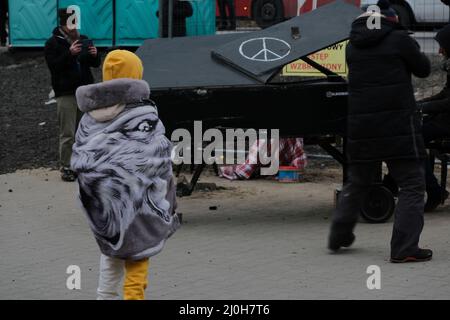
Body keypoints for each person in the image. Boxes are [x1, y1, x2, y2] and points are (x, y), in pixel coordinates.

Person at [328, 0, 433, 263]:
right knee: (412, 184)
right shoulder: (399, 40)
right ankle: (404, 248)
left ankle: (338, 235)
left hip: (362, 127)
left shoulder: (352, 46)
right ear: (391, 20)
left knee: (358, 180)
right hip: (398, 126)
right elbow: (424, 69)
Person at [71, 49, 179, 300]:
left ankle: (105, 296)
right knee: (139, 256)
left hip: (103, 202)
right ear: (136, 75)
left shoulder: (89, 117)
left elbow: (82, 155)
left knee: (112, 251)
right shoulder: (143, 114)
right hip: (140, 201)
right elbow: (157, 155)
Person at [44, 8, 100, 181]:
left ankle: (84, 164)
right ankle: (67, 167)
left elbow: (94, 64)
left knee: (85, 131)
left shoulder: (82, 39)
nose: (74, 27)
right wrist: (69, 54)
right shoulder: (53, 43)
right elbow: (54, 66)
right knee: (68, 133)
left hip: (84, 91)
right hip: (66, 93)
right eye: (71, 23)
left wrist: (94, 55)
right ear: (63, 24)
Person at [417, 24, 450, 211]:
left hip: (447, 121)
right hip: (445, 118)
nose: (439, 50)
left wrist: (424, 107)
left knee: (415, 139)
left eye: (442, 45)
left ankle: (434, 190)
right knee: (415, 133)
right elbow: (445, 94)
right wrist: (421, 104)